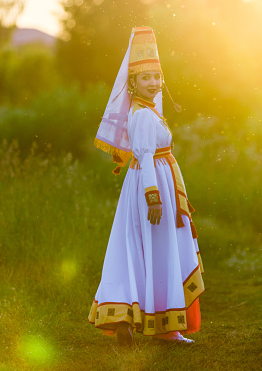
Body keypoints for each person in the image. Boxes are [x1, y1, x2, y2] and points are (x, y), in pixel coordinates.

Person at [88, 26, 204, 345]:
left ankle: (155, 320)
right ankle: (163, 324)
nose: (153, 82)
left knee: (152, 248)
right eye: (146, 78)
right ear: (133, 83)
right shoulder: (141, 117)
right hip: (150, 188)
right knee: (156, 248)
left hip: (154, 183)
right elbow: (144, 156)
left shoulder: (150, 112)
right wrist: (153, 197)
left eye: (157, 76)